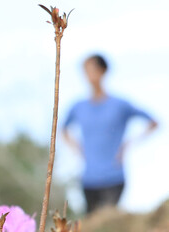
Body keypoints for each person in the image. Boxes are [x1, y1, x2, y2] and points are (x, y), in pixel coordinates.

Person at [62, 54, 158, 214]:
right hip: (89, 179)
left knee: (108, 218)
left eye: (92, 70)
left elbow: (153, 122)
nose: (89, 75)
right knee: (91, 224)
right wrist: (78, 148)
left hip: (114, 177)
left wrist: (129, 143)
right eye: (86, 71)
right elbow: (64, 129)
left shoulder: (120, 105)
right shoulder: (78, 107)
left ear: (103, 71)